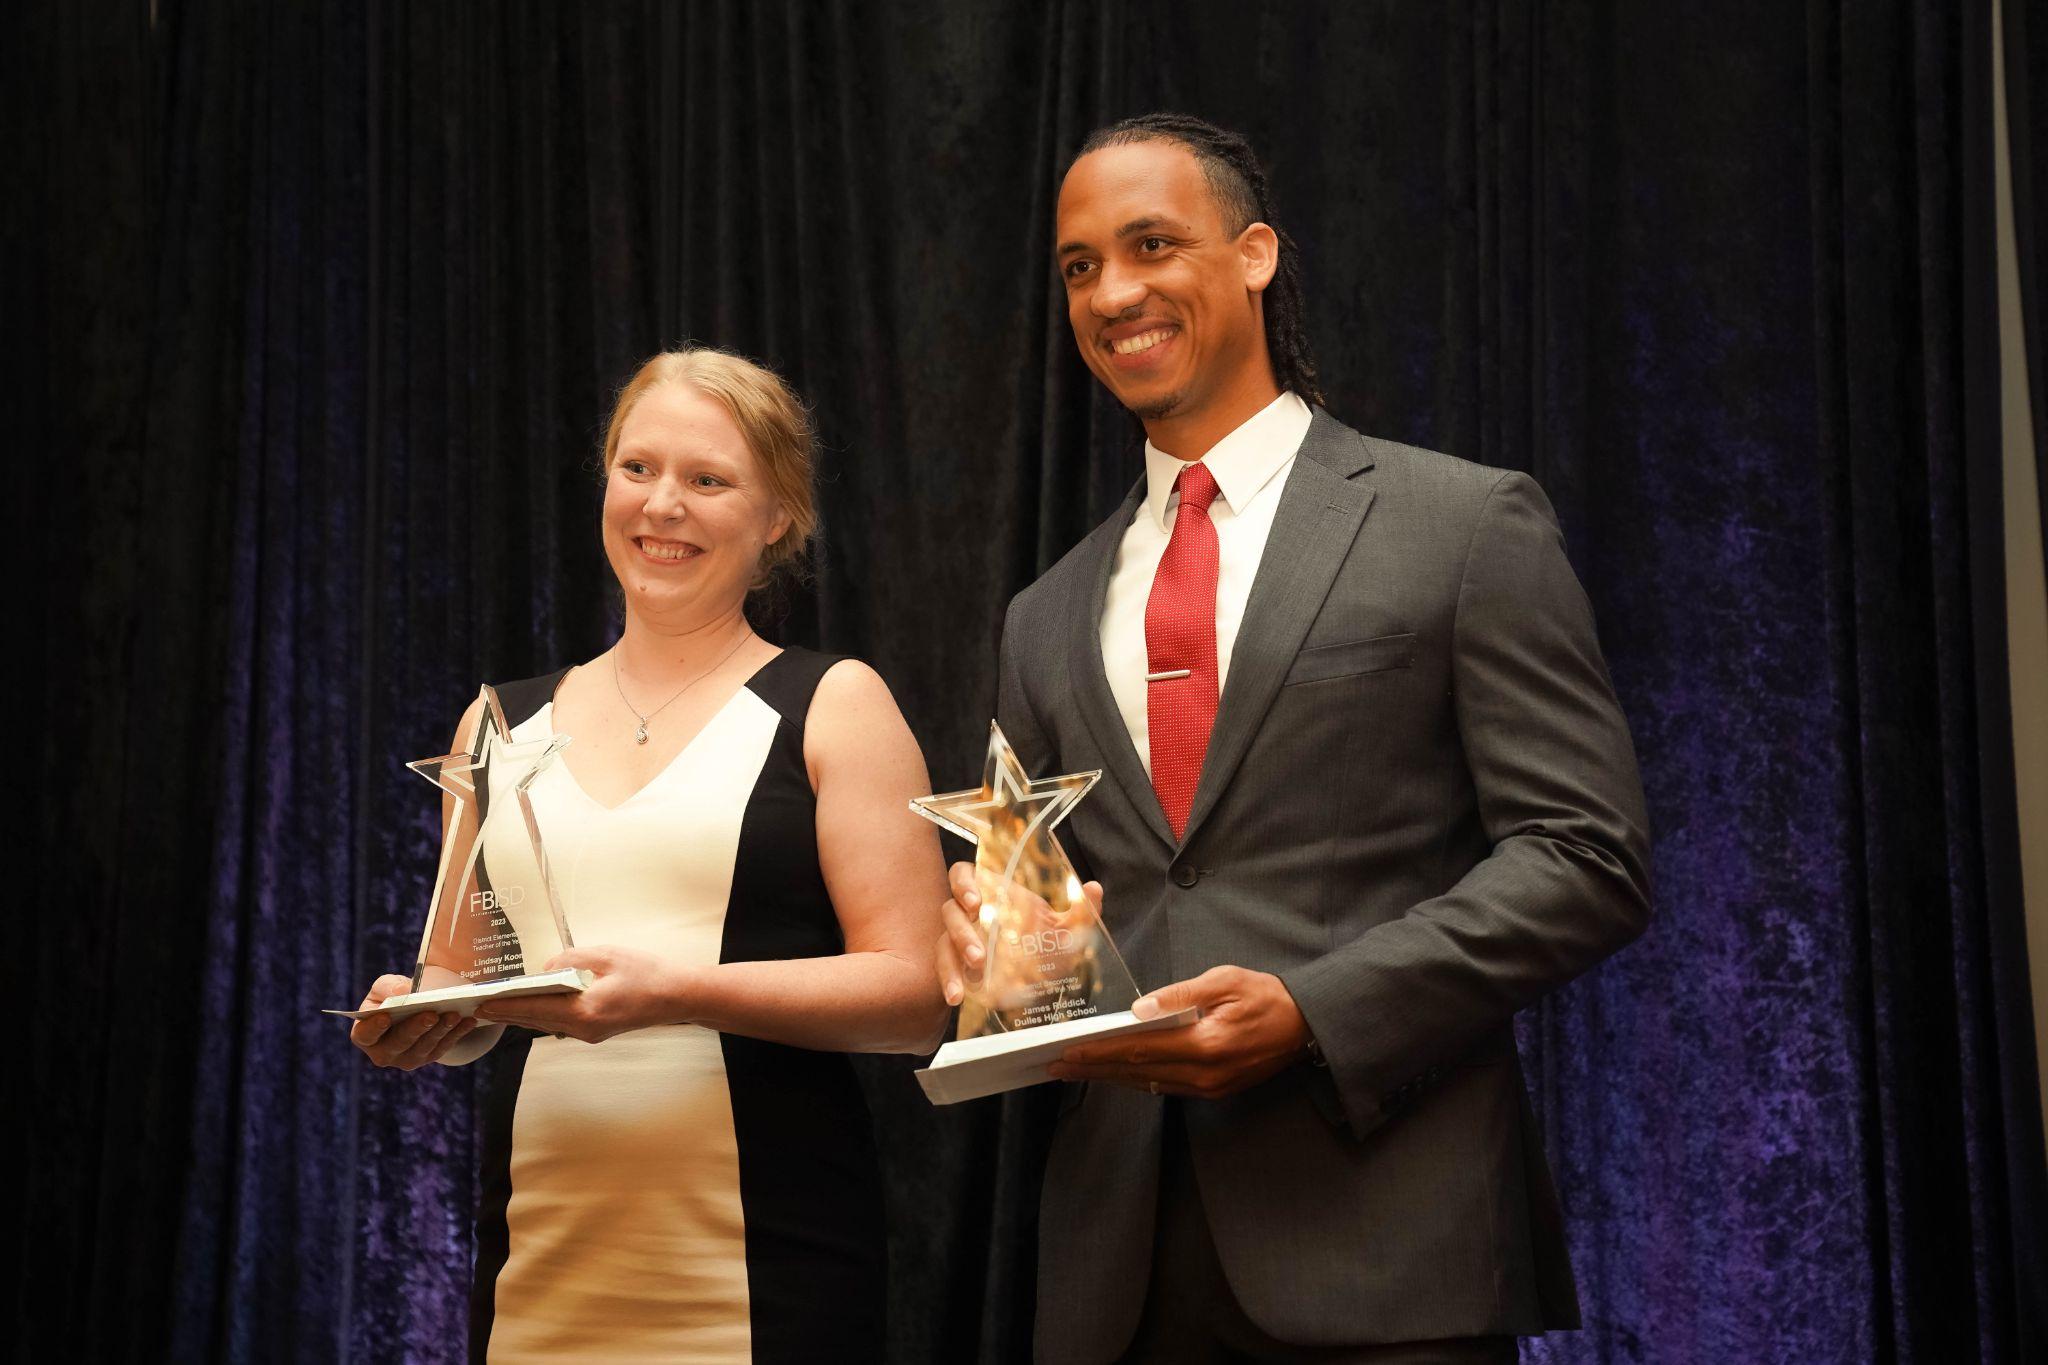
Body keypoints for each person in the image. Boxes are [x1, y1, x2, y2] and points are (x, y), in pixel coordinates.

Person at [935, 115, 1653, 1363]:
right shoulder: (1040, 615)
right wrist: (1002, 954)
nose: (1113, 293)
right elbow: (1044, 918)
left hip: (1391, 1254)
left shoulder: (1462, 524)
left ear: (1255, 254)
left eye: (1150, 244)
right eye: (1078, 267)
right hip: (1117, 1282)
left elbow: (1584, 859)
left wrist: (1312, 1009)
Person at [349, 348, 949, 1364]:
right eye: (637, 469)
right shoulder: (498, 723)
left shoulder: (832, 703)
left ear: (775, 519)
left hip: (763, 1262)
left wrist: (673, 991)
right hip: (546, 1256)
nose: (661, 505)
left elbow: (916, 995)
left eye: (706, 481)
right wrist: (423, 1021)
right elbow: (461, 979)